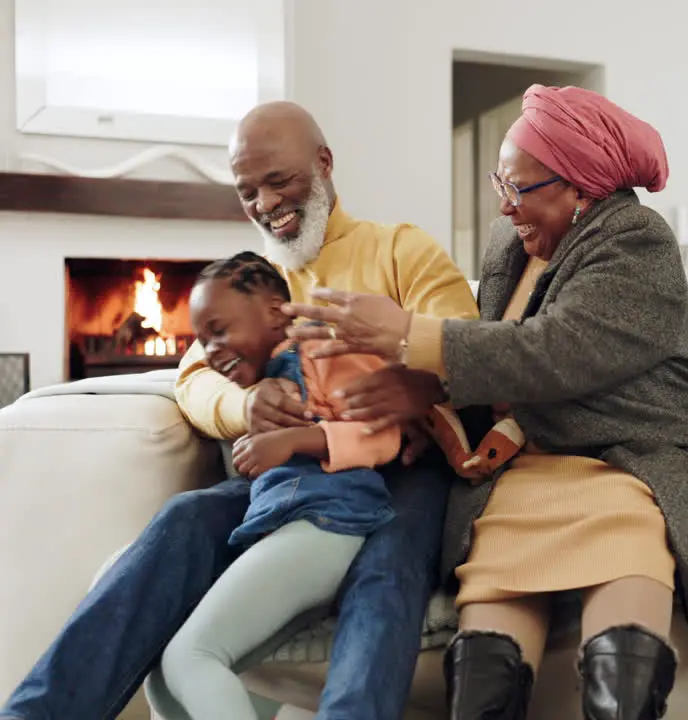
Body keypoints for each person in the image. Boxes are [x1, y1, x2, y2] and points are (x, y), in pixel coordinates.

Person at [281, 84, 688, 720]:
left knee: (623, 682)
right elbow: (491, 370)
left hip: (626, 472)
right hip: (520, 477)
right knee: (483, 682)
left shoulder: (638, 240)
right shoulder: (512, 245)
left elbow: (555, 350)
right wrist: (415, 393)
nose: (505, 207)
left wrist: (407, 334)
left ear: (582, 188)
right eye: (499, 185)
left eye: (519, 190)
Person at [0, 102, 479, 720]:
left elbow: (467, 341)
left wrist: (416, 389)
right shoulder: (255, 281)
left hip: (402, 468)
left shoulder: (397, 249)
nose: (265, 203)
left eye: (280, 180)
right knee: (186, 517)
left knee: (390, 563)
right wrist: (248, 402)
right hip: (291, 472)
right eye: (247, 190)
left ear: (325, 164)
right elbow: (192, 377)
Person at [156, 251, 400, 719]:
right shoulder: (259, 386)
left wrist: (293, 441)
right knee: (169, 678)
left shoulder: (323, 353)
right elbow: (194, 389)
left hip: (328, 524)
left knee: (188, 658)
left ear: (274, 312)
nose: (211, 351)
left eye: (220, 331)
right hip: (285, 530)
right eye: (202, 340)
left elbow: (382, 434)